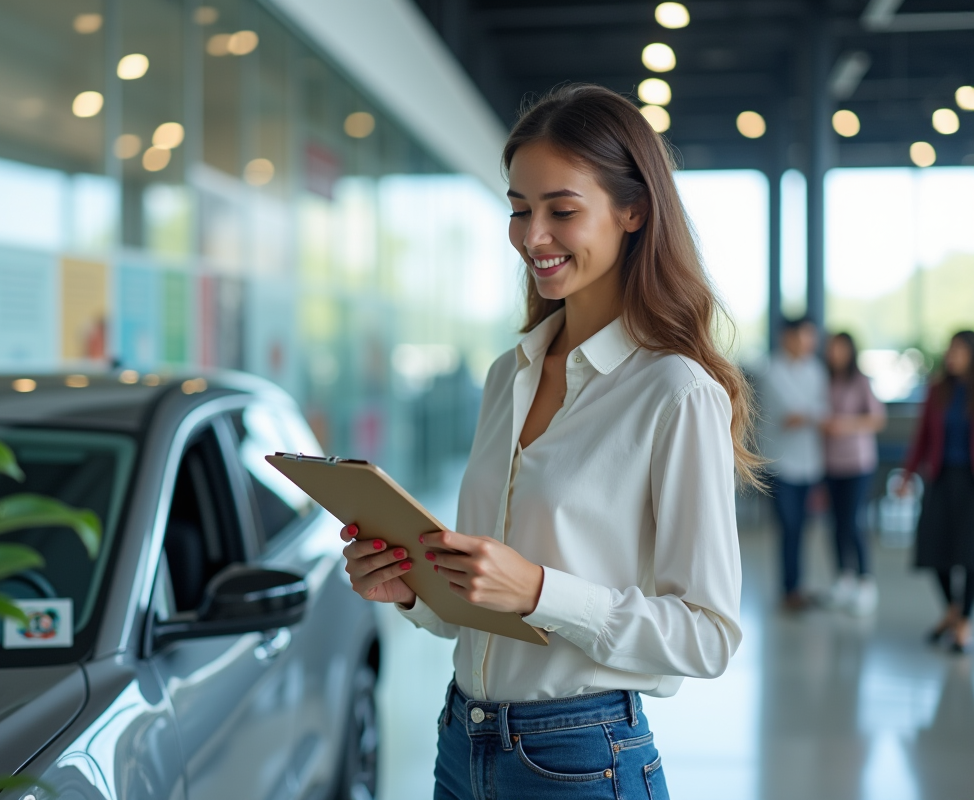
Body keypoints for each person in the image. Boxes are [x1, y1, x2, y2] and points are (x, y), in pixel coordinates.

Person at [339, 84, 757, 800]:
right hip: (460, 743)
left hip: (581, 759)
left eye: (561, 211)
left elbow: (707, 637)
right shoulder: (510, 375)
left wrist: (538, 590)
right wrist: (414, 591)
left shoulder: (675, 391)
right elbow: (473, 613)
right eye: (519, 209)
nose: (533, 236)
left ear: (633, 211)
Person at [902, 331, 974, 653]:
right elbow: (922, 438)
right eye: (951, 350)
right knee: (935, 550)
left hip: (970, 482)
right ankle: (952, 610)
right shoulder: (937, 391)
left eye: (959, 350)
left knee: (969, 555)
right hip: (940, 479)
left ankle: (962, 624)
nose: (952, 355)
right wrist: (907, 475)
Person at [758, 317, 830, 611]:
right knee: (789, 527)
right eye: (803, 337)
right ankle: (790, 590)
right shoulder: (773, 371)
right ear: (787, 337)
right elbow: (792, 416)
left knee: (803, 528)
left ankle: (798, 587)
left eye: (811, 337)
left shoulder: (816, 370)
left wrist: (813, 414)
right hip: (780, 465)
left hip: (810, 464)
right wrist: (818, 415)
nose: (809, 343)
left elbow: (814, 413)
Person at [822, 332, 885, 615]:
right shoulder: (824, 381)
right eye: (831, 349)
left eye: (840, 349)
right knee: (835, 523)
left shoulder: (860, 381)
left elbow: (877, 419)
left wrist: (844, 425)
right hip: (829, 462)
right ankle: (843, 578)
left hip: (858, 464)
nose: (835, 354)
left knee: (852, 521)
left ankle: (865, 580)